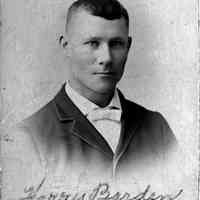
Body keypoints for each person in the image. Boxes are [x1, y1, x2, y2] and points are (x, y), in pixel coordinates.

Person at [3, 0, 179, 196]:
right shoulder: (29, 137)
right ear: (66, 46)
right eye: (92, 43)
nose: (106, 58)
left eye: (116, 44)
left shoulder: (157, 128)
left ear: (128, 46)